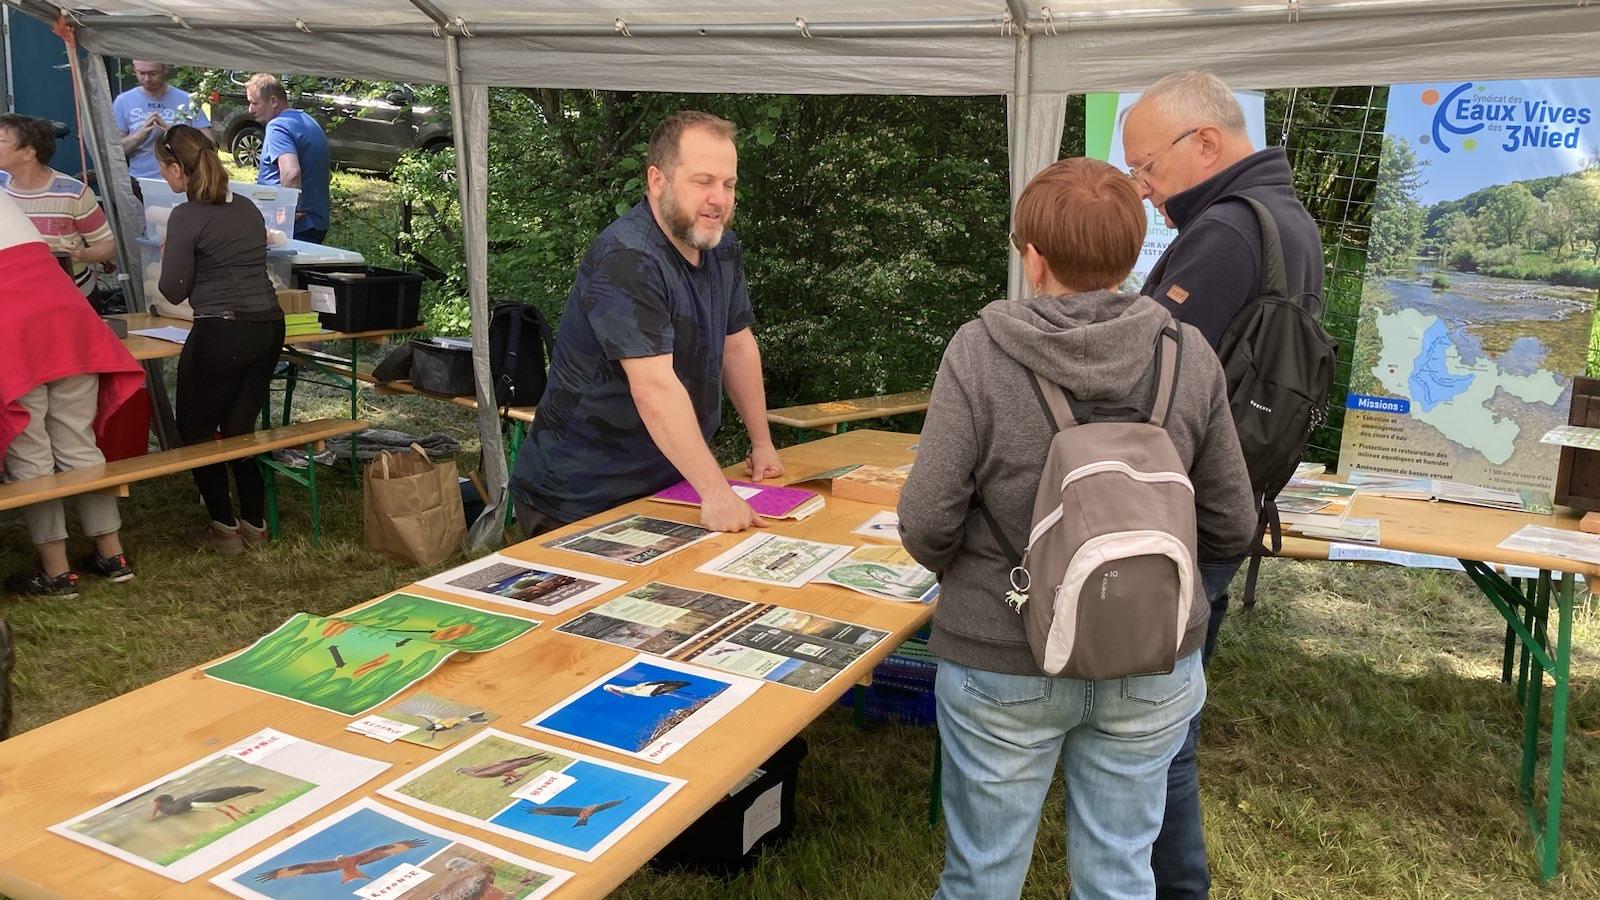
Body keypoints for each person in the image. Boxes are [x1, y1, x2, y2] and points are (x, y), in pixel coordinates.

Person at [897, 157, 1255, 900]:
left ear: (1033, 257)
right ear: (1134, 254)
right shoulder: (1188, 355)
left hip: (1001, 650)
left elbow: (927, 520)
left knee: (981, 879)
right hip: (1152, 657)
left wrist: (976, 573)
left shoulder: (980, 350)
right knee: (1122, 875)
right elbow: (1231, 523)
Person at [1120, 70, 1325, 899]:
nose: (1142, 189)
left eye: (1147, 169)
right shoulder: (1288, 218)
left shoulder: (1227, 232)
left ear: (1205, 143)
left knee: (1154, 725)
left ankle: (1176, 886)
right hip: (1232, 494)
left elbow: (1146, 372)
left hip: (1184, 506)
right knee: (1173, 707)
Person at [510, 110, 783, 536]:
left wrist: (762, 442)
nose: (719, 199)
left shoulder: (720, 245)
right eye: (703, 181)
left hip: (667, 485)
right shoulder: (627, 257)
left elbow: (738, 343)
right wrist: (714, 492)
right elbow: (654, 387)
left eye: (728, 184)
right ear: (658, 181)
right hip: (580, 496)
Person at [0, 192, 144, 598]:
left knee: (30, 457)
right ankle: (112, 555)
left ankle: (56, 573)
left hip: (16, 333)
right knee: (79, 445)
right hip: (68, 322)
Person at [155, 124, 286, 554]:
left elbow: (174, 290)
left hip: (222, 328)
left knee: (194, 429)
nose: (164, 178)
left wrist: (171, 255)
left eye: (163, 169)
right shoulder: (246, 206)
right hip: (267, 324)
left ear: (177, 168)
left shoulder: (186, 215)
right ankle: (254, 523)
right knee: (238, 429)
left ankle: (222, 528)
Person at [0, 114, 116, 297]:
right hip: (14, 295)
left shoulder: (73, 192)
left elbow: (107, 247)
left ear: (28, 153)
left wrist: (81, 255)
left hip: (70, 296)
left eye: (1, 140)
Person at [245, 74, 330, 243]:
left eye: (255, 103)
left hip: (296, 228)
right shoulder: (308, 121)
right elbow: (326, 175)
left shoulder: (278, 126)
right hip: (316, 223)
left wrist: (284, 214)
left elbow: (291, 173)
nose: (250, 109)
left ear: (274, 101)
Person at [112, 60, 211, 186]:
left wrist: (172, 133)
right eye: (141, 73)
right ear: (134, 69)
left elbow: (209, 146)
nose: (147, 78)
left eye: (153, 73)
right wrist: (139, 135)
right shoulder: (123, 101)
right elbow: (114, 151)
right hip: (139, 181)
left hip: (185, 181)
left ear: (165, 69)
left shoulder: (187, 100)